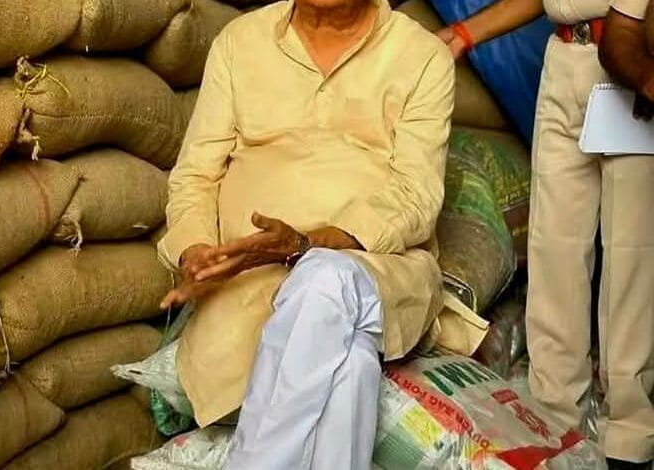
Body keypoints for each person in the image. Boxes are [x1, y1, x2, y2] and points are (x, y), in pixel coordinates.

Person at [155, 0, 489, 467]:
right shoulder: (240, 41)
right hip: (248, 284)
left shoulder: (420, 55)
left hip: (378, 270)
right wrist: (196, 251)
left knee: (324, 278)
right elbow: (194, 176)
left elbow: (416, 198)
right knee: (350, 362)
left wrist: (305, 244)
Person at [438, 1, 654, 468]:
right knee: (554, 248)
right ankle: (554, 419)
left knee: (631, 255)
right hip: (564, 59)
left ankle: (630, 437)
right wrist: (464, 34)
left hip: (629, 61)